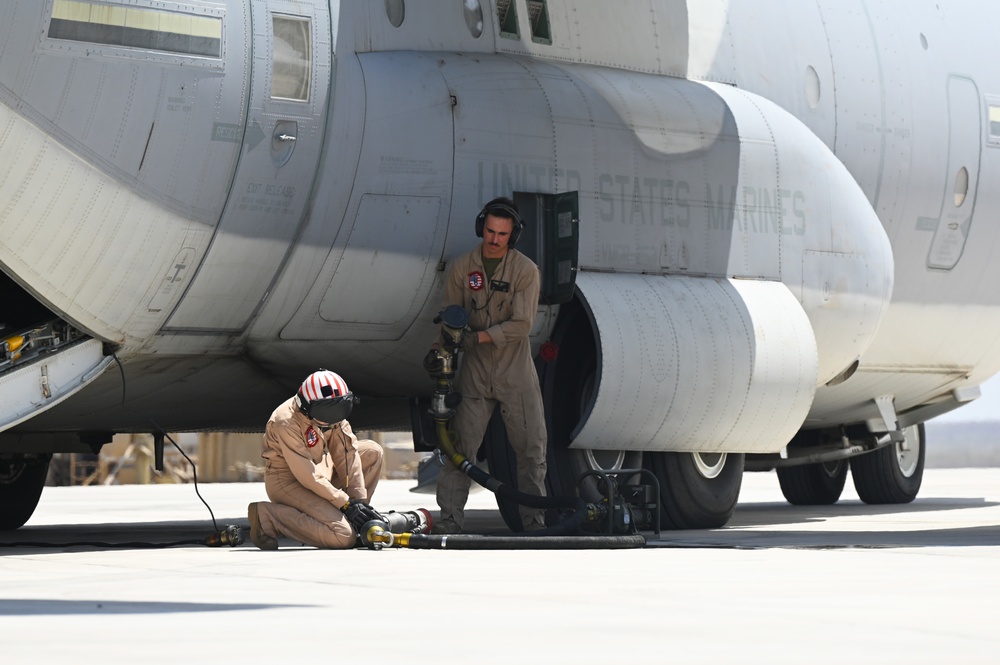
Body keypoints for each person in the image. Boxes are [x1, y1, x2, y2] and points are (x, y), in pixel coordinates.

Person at [428, 197, 548, 534]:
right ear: (482, 227)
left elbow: (522, 324)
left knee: (531, 451)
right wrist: (446, 345)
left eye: (502, 234)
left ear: (513, 236)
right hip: (476, 376)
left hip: (516, 373)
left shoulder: (525, 271)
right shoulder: (463, 267)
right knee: (458, 449)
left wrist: (477, 339)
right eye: (490, 232)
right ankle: (450, 521)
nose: (494, 240)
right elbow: (449, 315)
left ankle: (534, 522)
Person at [247, 369, 384, 550]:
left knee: (372, 452)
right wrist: (344, 504)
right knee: (343, 537)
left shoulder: (332, 412)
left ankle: (354, 521)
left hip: (318, 469)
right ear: (307, 406)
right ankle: (268, 516)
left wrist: (358, 504)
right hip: (288, 480)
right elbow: (307, 476)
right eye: (327, 414)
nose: (331, 421)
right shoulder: (286, 421)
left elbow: (347, 454)